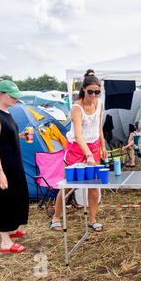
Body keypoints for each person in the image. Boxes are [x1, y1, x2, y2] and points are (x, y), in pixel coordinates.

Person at [50, 70, 108, 232]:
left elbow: (99, 127)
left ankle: (93, 219)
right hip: (76, 148)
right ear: (83, 90)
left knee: (94, 186)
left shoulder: (100, 103)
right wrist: (87, 154)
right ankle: (56, 217)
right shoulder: (76, 108)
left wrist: (103, 146)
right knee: (68, 185)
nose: (94, 95)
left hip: (94, 145)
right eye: (91, 91)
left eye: (97, 91)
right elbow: (78, 135)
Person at [0, 80, 32, 253]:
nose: (16, 99)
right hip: (4, 166)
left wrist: (20, 135)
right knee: (7, 201)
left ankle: (12, 230)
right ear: (1, 94)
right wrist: (0, 173)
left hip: (15, 163)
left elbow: (6, 136)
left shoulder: (7, 113)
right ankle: (5, 242)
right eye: (13, 96)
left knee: (18, 196)